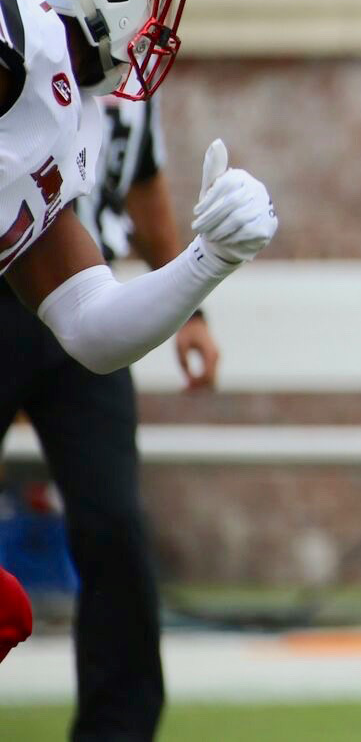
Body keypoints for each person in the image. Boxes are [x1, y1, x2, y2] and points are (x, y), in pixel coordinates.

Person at [0, 0, 277, 732]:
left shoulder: (47, 92)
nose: (148, 19)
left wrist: (203, 262)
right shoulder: (16, 35)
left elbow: (85, 321)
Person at [0, 88, 218, 739]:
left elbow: (143, 179)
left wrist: (193, 306)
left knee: (114, 521)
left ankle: (118, 728)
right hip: (12, 289)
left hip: (84, 292)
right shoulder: (24, 46)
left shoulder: (116, 74)